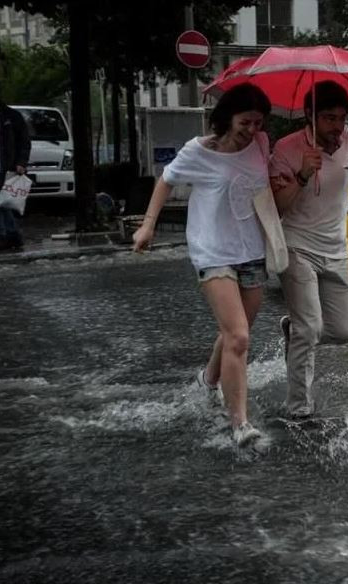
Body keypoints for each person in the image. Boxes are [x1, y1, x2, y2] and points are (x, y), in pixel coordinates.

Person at [132, 82, 278, 448]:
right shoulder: (199, 151)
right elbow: (165, 181)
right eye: (246, 121)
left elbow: (260, 186)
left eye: (258, 122)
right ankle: (240, 424)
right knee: (239, 337)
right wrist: (148, 224)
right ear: (227, 117)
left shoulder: (260, 144)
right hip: (213, 252)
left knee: (236, 331)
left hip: (252, 249)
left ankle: (209, 380)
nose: (252, 130)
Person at [269, 80, 348, 419]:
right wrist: (302, 174)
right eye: (328, 118)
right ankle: (299, 410)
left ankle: (293, 331)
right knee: (309, 328)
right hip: (296, 247)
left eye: (342, 118)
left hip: (337, 251)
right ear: (310, 117)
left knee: (342, 332)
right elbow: (277, 207)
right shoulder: (286, 149)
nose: (337, 126)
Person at [0, 45, 31, 252]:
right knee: (1, 203)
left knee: (3, 202)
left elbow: (24, 141)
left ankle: (7, 235)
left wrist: (20, 162)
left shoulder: (10, 117)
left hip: (5, 167)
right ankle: (11, 234)